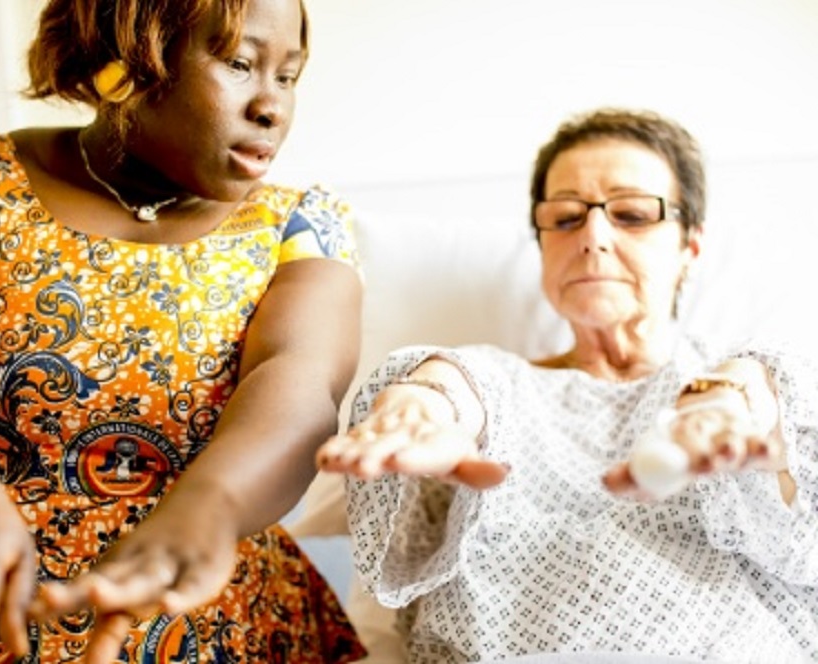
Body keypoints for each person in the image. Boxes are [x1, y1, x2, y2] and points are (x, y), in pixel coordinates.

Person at [0, 0, 368, 662]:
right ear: (125, 59)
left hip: (226, 628)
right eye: (241, 64)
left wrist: (212, 509)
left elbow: (299, 384)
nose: (272, 107)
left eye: (289, 76)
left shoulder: (302, 228)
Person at [316, 108, 818, 663]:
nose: (593, 237)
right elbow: (451, 385)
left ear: (688, 248)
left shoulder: (742, 381)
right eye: (565, 218)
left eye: (630, 214)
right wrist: (421, 404)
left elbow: (767, 398)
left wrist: (730, 402)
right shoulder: (495, 381)